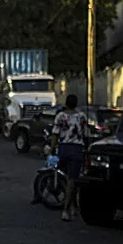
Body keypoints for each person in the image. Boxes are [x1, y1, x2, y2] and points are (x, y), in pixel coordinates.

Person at [50, 94, 88, 222]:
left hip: (64, 149)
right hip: (77, 149)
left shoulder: (60, 116)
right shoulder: (82, 116)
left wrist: (51, 150)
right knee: (72, 180)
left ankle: (67, 208)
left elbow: (55, 134)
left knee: (68, 179)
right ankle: (71, 207)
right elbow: (86, 134)